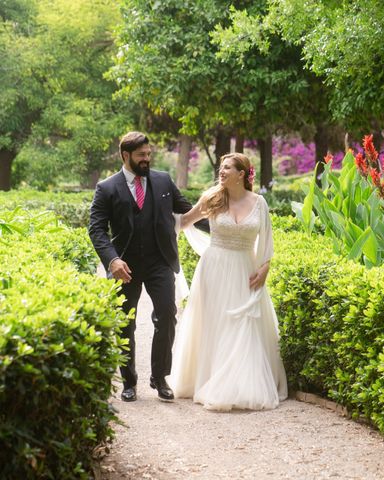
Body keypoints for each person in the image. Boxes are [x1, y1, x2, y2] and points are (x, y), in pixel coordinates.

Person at [88, 131, 204, 403]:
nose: (146, 159)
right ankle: (129, 381)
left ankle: (160, 376)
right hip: (124, 265)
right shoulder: (106, 187)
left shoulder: (162, 180)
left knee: (166, 314)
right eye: (141, 155)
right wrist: (113, 260)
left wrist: (223, 227)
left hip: (159, 261)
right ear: (125, 155)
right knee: (125, 323)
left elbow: (187, 210)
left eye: (149, 155)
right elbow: (96, 229)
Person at [169, 152, 287, 410]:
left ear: (241, 174)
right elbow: (184, 222)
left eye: (227, 168)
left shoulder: (259, 203)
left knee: (242, 322)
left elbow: (266, 240)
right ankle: (209, 378)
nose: (221, 172)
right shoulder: (212, 198)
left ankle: (239, 383)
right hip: (214, 268)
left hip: (245, 270)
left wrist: (265, 266)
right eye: (220, 168)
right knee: (215, 322)